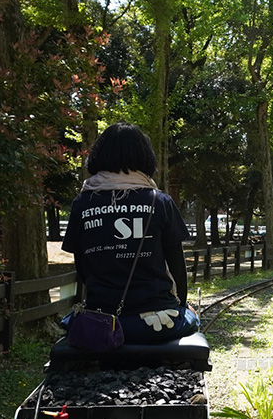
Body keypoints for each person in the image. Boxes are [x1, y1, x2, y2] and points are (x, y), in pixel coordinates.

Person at [62, 122, 199, 343]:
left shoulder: (82, 204)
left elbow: (82, 267)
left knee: (70, 320)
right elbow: (177, 265)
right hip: (156, 322)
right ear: (145, 156)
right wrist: (182, 306)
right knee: (192, 316)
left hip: (101, 322)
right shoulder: (159, 202)